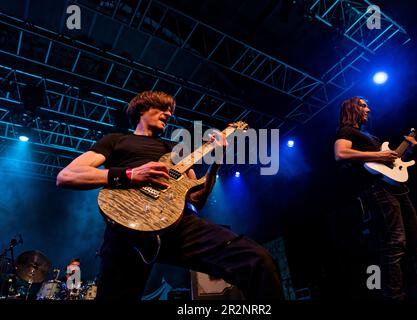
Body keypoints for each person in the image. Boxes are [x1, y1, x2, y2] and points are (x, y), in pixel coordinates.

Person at [56, 90, 283, 300]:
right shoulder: (116, 140)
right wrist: (131, 174)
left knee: (256, 260)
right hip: (128, 224)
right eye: (162, 108)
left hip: (177, 223)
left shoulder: (176, 151)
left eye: (170, 111)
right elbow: (67, 176)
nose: (168, 114)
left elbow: (197, 199)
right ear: (142, 109)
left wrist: (216, 163)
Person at [333, 96, 417, 300]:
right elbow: (340, 154)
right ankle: (395, 297)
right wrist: (379, 156)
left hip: (398, 190)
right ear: (352, 109)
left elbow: (393, 166)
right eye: (363, 105)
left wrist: (407, 150)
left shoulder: (370, 137)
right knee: (396, 242)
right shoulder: (346, 131)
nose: (368, 109)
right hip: (378, 191)